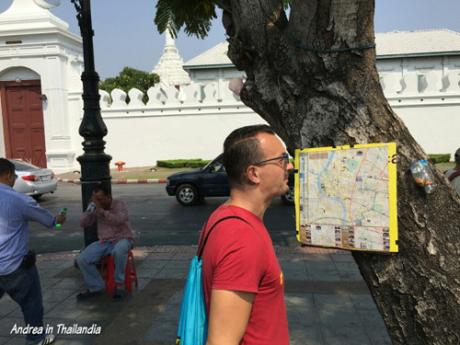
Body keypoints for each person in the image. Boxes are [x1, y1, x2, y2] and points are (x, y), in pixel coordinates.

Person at [200, 125, 292, 345]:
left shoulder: (225, 215)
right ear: (254, 173)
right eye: (281, 159)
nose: (289, 166)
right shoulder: (240, 238)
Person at [0, 158, 65, 345]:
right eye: (13, 176)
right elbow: (52, 223)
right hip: (16, 268)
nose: (13, 180)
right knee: (31, 305)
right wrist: (60, 219)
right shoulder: (20, 200)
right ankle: (36, 338)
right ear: (7, 175)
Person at [76, 184, 134, 301]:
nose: (98, 202)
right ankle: (96, 286)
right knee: (82, 258)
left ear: (108, 196)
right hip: (105, 241)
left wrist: (102, 211)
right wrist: (89, 211)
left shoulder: (119, 204)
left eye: (100, 198)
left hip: (123, 239)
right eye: (96, 199)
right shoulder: (95, 208)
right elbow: (83, 224)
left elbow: (118, 220)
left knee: (119, 250)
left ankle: (120, 285)